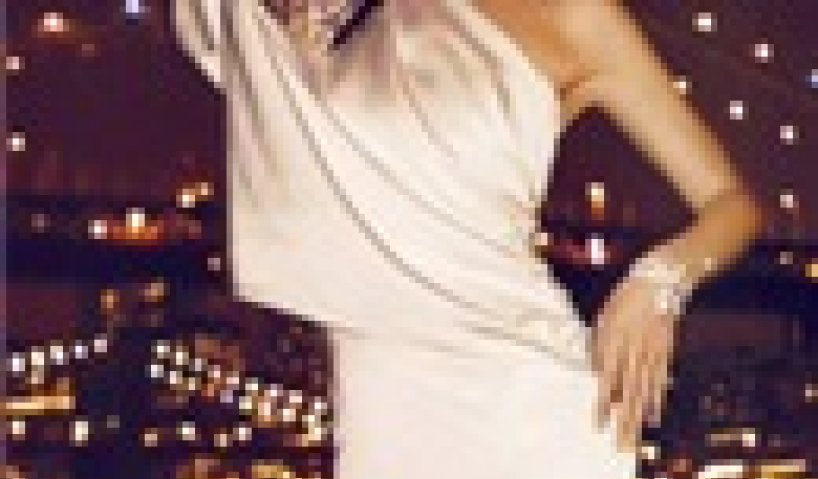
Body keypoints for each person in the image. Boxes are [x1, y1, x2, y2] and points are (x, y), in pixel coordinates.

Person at [173, 1, 767, 477]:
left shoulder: (578, 15)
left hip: (531, 403)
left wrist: (658, 282)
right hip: (388, 407)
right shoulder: (356, 19)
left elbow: (733, 204)